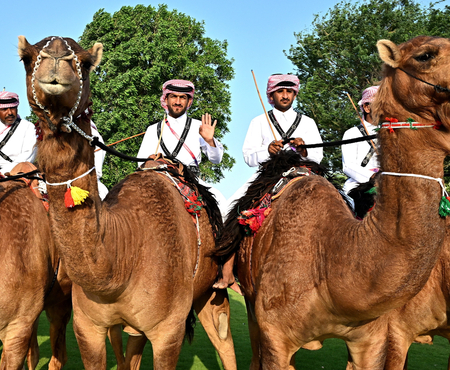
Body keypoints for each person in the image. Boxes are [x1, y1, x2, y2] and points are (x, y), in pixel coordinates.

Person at [218, 73, 324, 291]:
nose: (285, 96)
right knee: (233, 206)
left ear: (295, 94)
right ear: (271, 95)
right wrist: (267, 150)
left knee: (344, 205)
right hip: (269, 175)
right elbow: (248, 156)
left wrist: (305, 150)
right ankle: (227, 271)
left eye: (289, 92)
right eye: (280, 92)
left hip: (303, 172)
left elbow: (319, 155)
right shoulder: (258, 121)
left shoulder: (307, 122)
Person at [135, 79, 226, 208]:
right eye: (173, 97)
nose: (177, 102)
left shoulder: (199, 126)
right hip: (160, 181)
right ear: (166, 99)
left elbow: (216, 159)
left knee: (221, 203)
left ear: (189, 101)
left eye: (182, 97)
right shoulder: (153, 129)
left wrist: (209, 140)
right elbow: (140, 163)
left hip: (191, 182)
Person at [341, 86, 379, 193]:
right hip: (358, 184)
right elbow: (348, 166)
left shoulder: (392, 133)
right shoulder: (352, 133)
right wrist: (372, 176)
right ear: (367, 108)